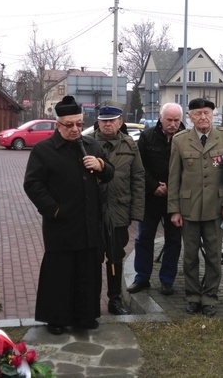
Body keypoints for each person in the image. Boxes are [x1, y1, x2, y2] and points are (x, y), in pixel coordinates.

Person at [23, 95, 114, 335]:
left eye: (79, 124)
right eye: (69, 124)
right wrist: (53, 209)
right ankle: (56, 318)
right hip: (61, 223)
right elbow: (32, 184)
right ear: (58, 125)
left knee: (87, 271)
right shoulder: (44, 150)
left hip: (88, 222)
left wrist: (102, 166)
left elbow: (109, 173)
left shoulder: (92, 146)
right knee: (60, 273)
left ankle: (85, 316)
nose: (75, 129)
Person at [168, 98, 223, 317]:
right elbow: (174, 177)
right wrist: (174, 209)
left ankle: (209, 297)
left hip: (216, 209)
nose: (203, 117)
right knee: (190, 256)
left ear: (213, 115)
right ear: (190, 117)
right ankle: (192, 296)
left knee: (213, 257)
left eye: (207, 113)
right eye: (198, 113)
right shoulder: (180, 140)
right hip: (189, 209)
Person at [90, 100, 145, 315]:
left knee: (115, 257)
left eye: (111, 121)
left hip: (118, 212)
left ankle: (115, 299)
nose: (107, 125)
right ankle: (91, 300)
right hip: (93, 213)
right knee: (93, 259)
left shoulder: (130, 145)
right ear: (98, 122)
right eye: (103, 121)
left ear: (120, 122)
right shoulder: (86, 143)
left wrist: (136, 213)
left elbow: (138, 178)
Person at [128, 103, 186, 296]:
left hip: (175, 200)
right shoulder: (147, 136)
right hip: (151, 197)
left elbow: (189, 170)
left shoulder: (186, 138)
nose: (173, 124)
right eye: (169, 119)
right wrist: (154, 186)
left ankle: (167, 280)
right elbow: (138, 167)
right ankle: (142, 278)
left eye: (176, 120)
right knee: (144, 238)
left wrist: (172, 187)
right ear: (161, 118)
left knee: (174, 240)